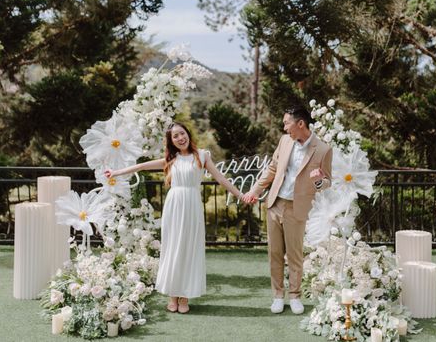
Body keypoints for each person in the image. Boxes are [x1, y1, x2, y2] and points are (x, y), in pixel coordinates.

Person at [105, 122, 244, 314]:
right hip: (174, 206)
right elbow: (142, 165)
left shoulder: (202, 156)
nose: (180, 138)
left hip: (193, 206)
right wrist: (116, 172)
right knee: (173, 248)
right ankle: (172, 295)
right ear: (171, 141)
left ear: (188, 133)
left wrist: (241, 195)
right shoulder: (170, 159)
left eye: (182, 133)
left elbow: (221, 179)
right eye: (175, 136)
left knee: (189, 248)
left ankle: (184, 296)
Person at [242, 105, 332, 314]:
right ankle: (277, 295)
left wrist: (319, 180)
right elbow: (272, 169)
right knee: (274, 253)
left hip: (297, 208)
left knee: (294, 255)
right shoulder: (284, 141)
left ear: (300, 124)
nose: (284, 128)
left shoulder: (323, 150)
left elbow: (327, 181)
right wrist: (255, 190)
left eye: (286, 123)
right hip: (275, 203)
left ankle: (295, 295)